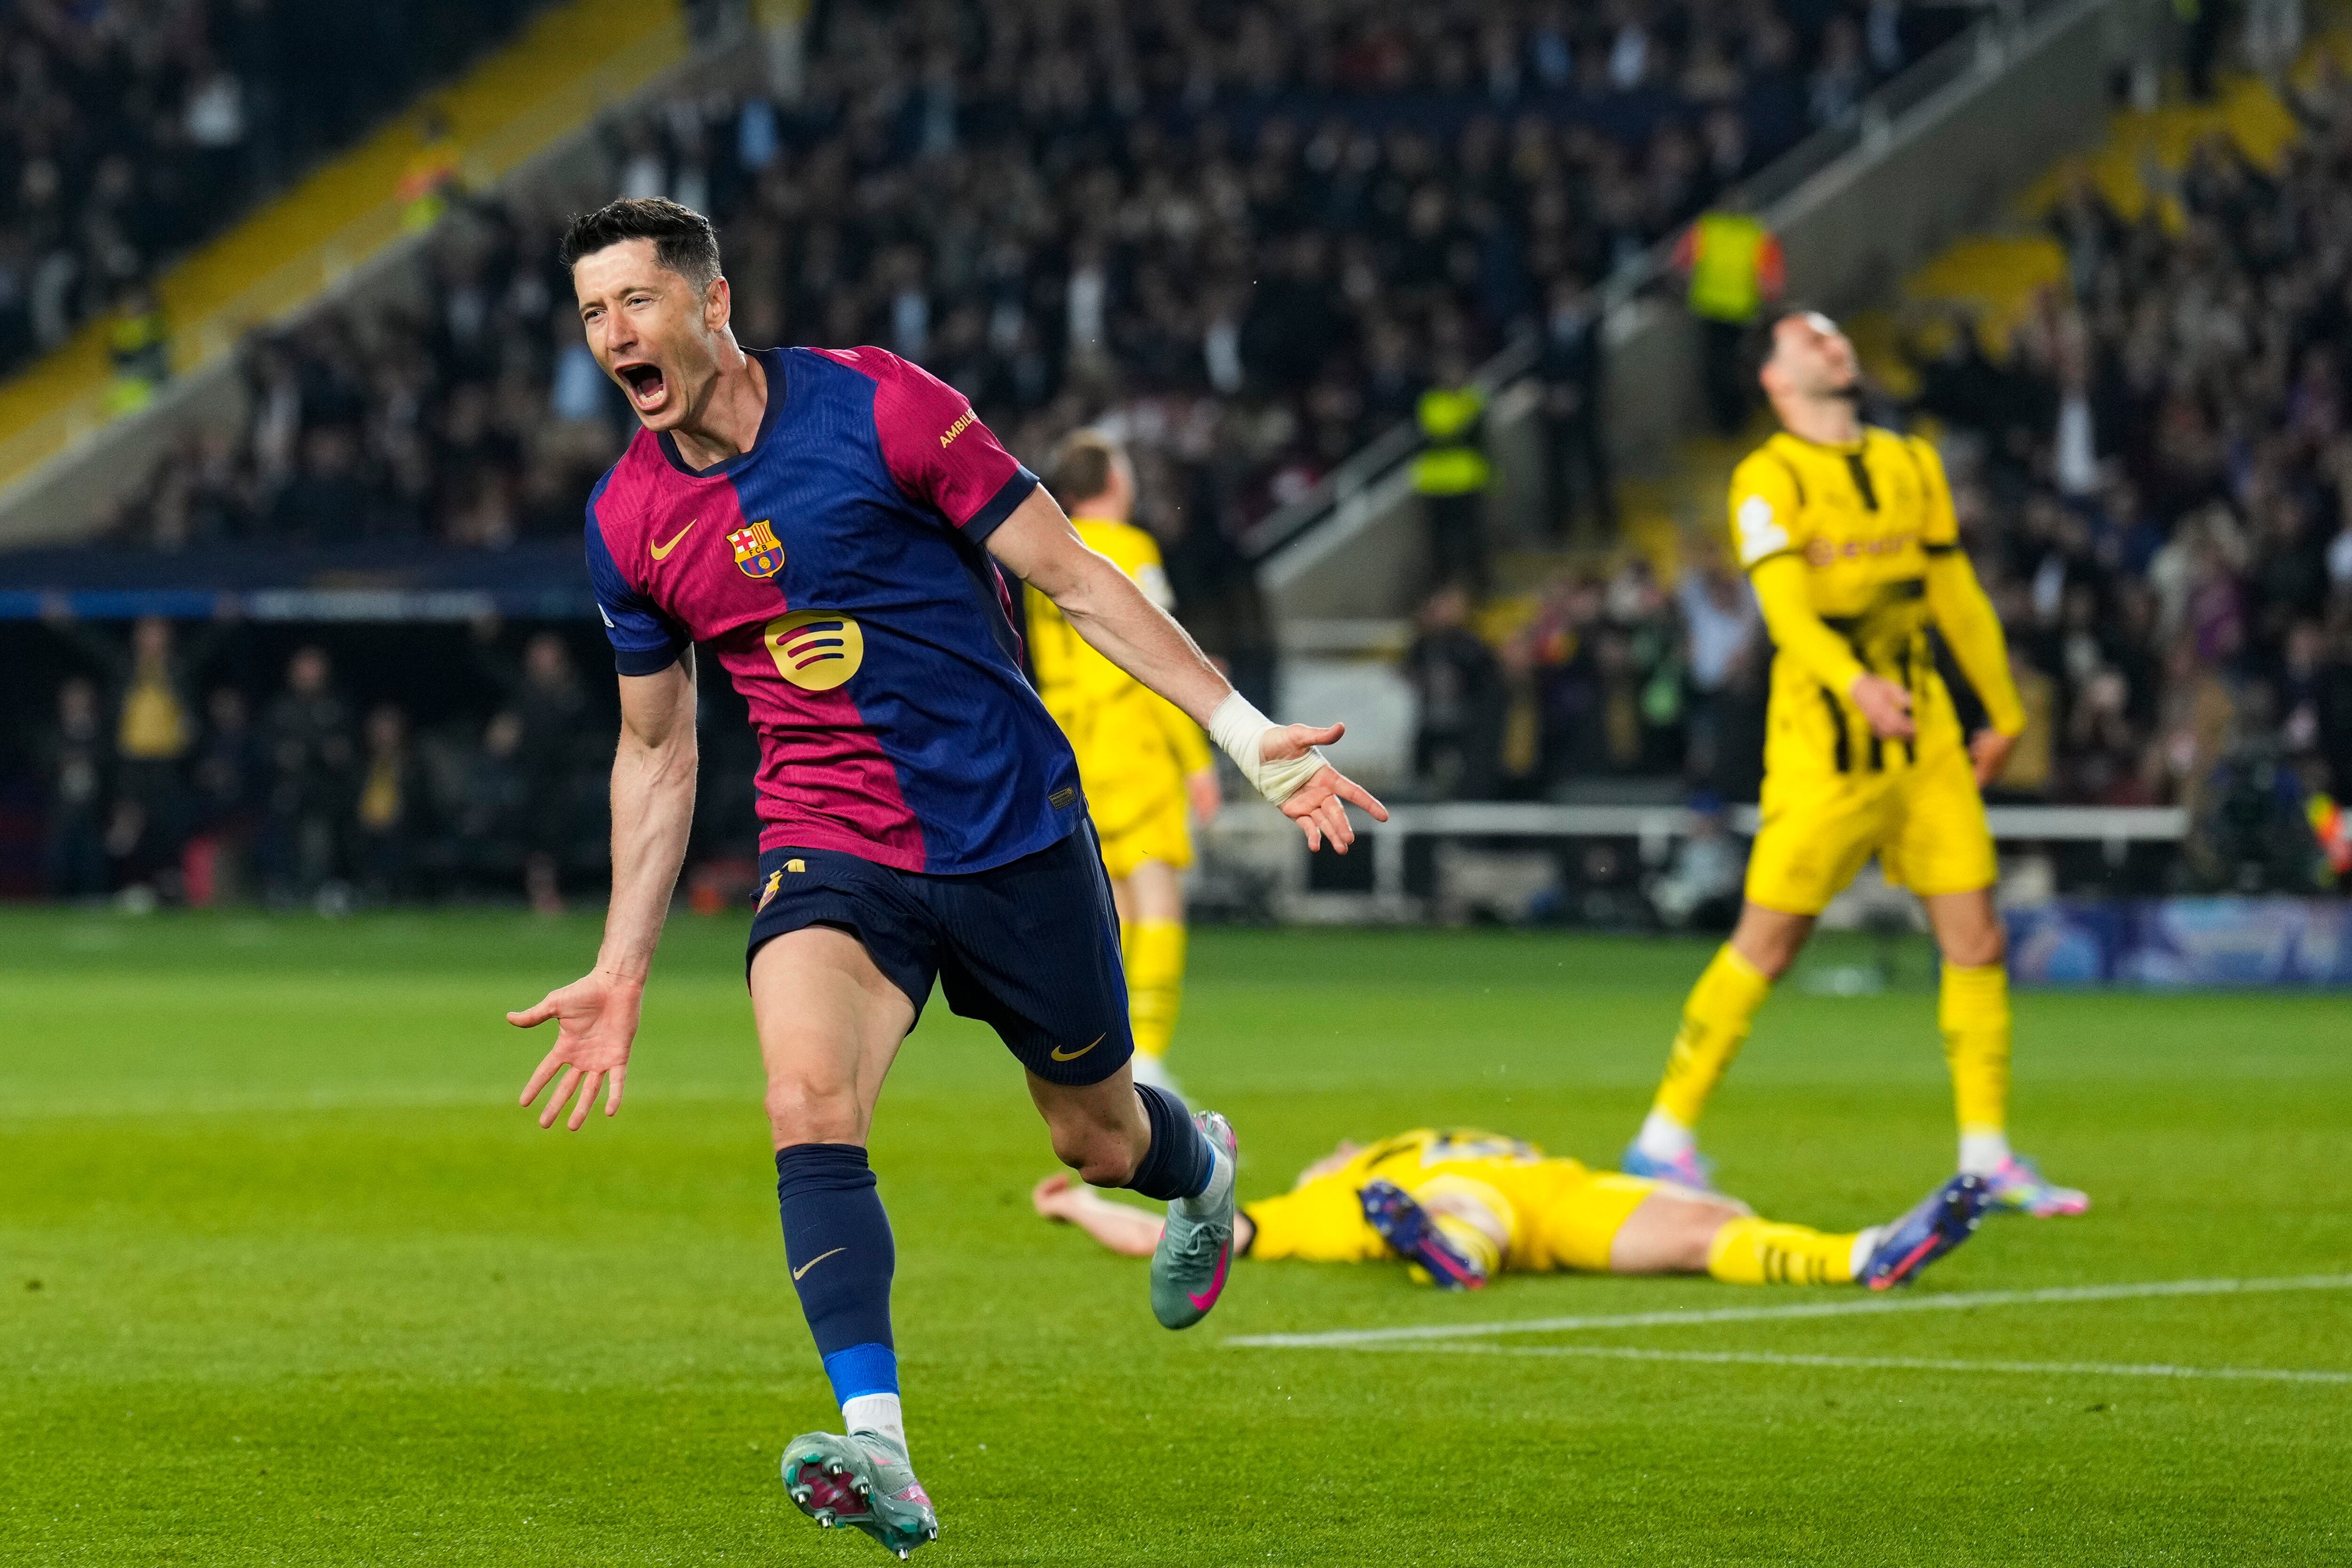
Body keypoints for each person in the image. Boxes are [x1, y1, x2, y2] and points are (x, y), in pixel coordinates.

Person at [505, 197, 1386, 1559]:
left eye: (634, 301)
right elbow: (657, 749)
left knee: (1096, 1138)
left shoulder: (884, 409)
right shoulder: (629, 522)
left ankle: (1204, 1170)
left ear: (713, 303)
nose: (614, 333)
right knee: (806, 1097)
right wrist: (622, 966)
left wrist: (1244, 730)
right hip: (831, 844)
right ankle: (882, 1447)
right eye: (591, 314)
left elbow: (1077, 581)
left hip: (1011, 832)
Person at [1619, 308, 2088, 1220]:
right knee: (1769, 941)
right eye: (1813, 340)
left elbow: (1952, 591)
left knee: (1976, 938)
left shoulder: (1910, 461)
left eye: (1838, 336)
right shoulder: (1768, 476)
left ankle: (1986, 1156)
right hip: (1821, 752)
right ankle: (1662, 1136)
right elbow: (1786, 612)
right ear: (1775, 378)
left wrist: (2002, 704)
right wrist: (1852, 684)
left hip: (1927, 741)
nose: (1837, 345)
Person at [1036, 1127, 1988, 1294]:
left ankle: (1865, 1253)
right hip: (1528, 1195)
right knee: (1462, 1211)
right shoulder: (1320, 1197)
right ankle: (1442, 1245)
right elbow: (1188, 1241)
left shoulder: (1360, 1167)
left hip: (1545, 1191)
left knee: (1714, 1218)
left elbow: (1201, 1236)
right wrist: (1081, 1205)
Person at [1024, 430, 1221, 1094]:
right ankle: (1153, 1050)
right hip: (1135, 741)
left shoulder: (1045, 547)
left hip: (1076, 745)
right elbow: (1157, 657)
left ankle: (1111, 1049)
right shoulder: (1132, 549)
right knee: (1158, 895)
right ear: (1112, 483)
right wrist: (1196, 756)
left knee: (1114, 906)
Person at [1673, 196, 1784, 436]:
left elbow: (1680, 266)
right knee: (1736, 370)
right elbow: (1771, 281)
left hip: (1719, 311)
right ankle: (1739, 423)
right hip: (1733, 313)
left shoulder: (1709, 229)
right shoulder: (1753, 233)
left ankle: (1732, 425)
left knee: (1721, 371)